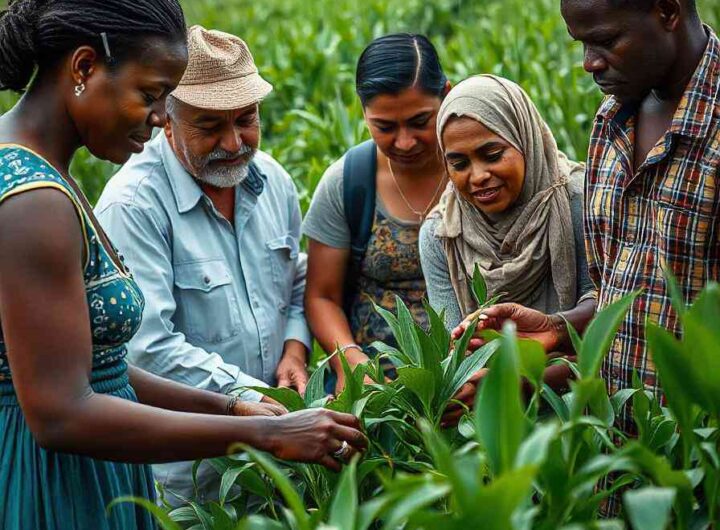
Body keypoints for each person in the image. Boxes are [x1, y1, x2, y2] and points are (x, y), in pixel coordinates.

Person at [0, 2, 365, 529]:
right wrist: (262, 433)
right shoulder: (34, 199)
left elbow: (96, 368)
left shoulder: (46, 176)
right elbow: (62, 412)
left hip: (89, 474)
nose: (157, 116)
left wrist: (234, 409)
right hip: (52, 486)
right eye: (150, 96)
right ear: (83, 68)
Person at [95, 25, 314, 503]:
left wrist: (295, 350)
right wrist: (260, 400)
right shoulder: (133, 206)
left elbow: (295, 281)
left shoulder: (272, 181)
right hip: (194, 480)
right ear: (166, 121)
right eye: (210, 126)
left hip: (286, 458)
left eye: (246, 119)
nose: (235, 143)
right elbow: (146, 349)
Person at [419, 75, 597, 425]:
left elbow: (608, 323)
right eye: (459, 163)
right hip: (495, 422)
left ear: (525, 139)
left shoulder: (580, 201)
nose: (478, 175)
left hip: (587, 413)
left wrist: (521, 381)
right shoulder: (442, 234)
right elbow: (455, 351)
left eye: (492, 154)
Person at [303, 33, 450, 393]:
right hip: (375, 388)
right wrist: (351, 362)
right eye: (384, 126)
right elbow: (321, 296)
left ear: (448, 94)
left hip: (468, 378)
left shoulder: (481, 168)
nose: (404, 141)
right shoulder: (349, 181)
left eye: (420, 121)